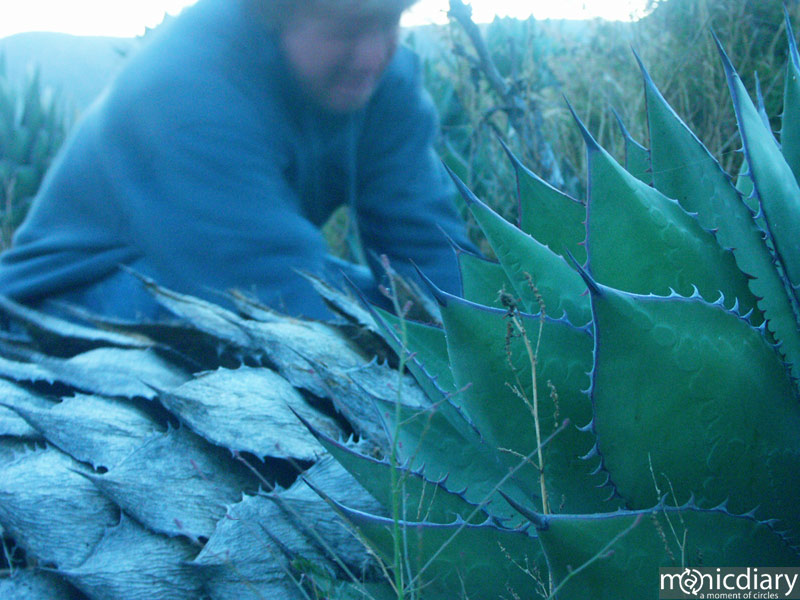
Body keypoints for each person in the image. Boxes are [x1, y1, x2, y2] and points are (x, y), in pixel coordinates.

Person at [0, 0, 473, 320]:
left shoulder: (386, 86)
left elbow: (428, 252)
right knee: (330, 335)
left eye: (389, 22)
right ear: (275, 13)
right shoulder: (186, 85)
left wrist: (486, 366)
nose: (371, 57)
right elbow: (268, 287)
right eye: (345, 31)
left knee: (381, 309)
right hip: (76, 288)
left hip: (235, 269)